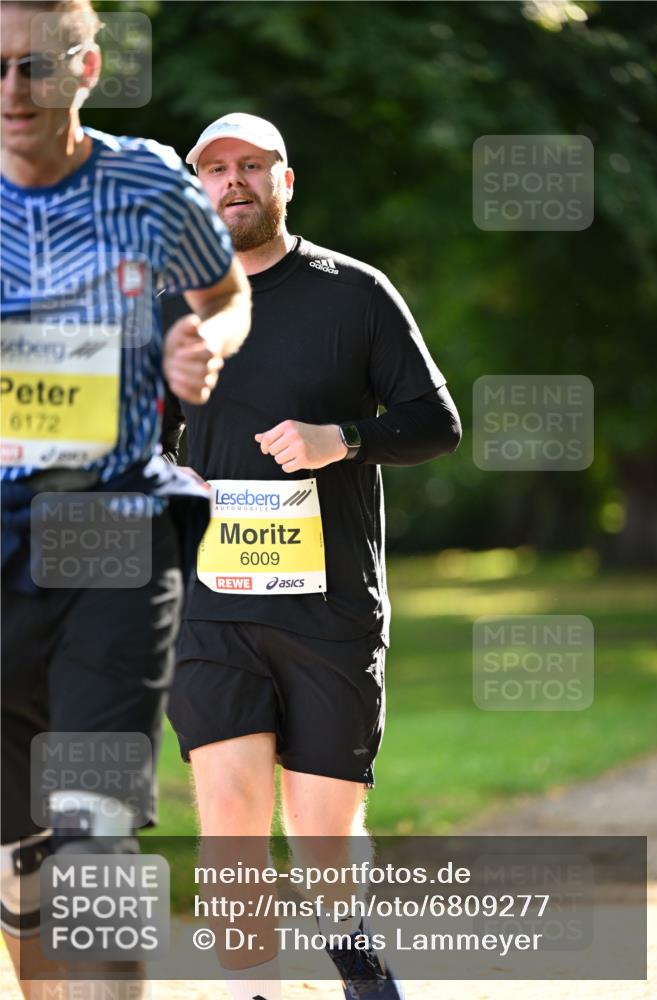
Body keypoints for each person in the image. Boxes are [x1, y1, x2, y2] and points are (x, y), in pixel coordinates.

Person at [163, 112, 461, 1000]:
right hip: (210, 603)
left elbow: (434, 425)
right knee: (228, 813)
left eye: (252, 165)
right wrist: (175, 482)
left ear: (285, 181)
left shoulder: (353, 292)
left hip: (329, 605)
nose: (232, 181)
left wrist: (344, 438)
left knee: (323, 834)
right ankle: (253, 989)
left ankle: (357, 966)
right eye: (213, 168)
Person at [0, 3, 251, 996]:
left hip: (113, 521)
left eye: (36, 66)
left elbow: (224, 294)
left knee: (94, 833)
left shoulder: (145, 181)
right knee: (30, 862)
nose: (13, 91)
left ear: (87, 66)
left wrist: (207, 345)